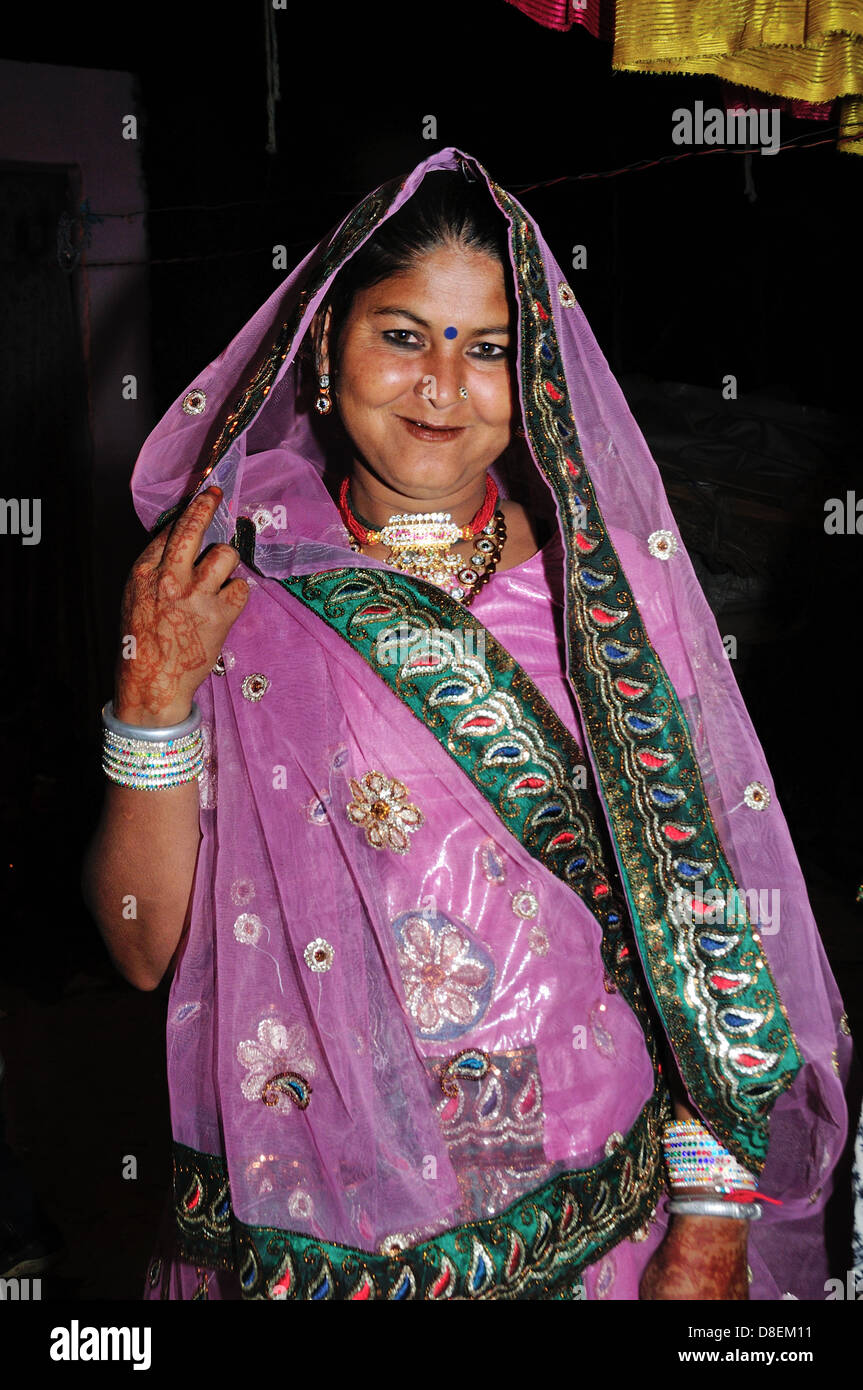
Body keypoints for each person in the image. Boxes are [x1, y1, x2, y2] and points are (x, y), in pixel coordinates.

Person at [82, 148, 850, 1301]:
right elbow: (142, 945)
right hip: (312, 1217)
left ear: (533, 374)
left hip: (586, 1208)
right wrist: (152, 697)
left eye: (486, 347)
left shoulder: (608, 612)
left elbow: (717, 935)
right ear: (326, 346)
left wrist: (709, 1216)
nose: (441, 384)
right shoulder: (219, 598)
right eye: (403, 334)